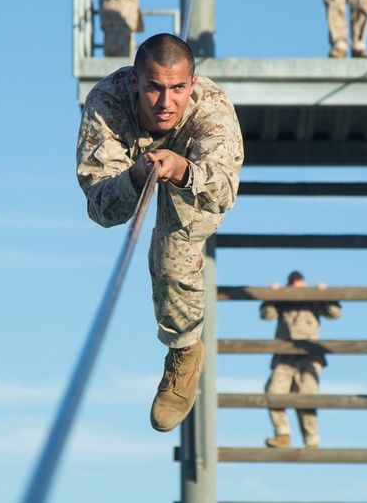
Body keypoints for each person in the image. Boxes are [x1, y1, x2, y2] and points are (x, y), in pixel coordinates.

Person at [76, 33, 244, 432]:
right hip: (134, 163)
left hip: (194, 172)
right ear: (135, 82)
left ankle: (184, 350)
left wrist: (183, 170)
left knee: (172, 251)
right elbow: (102, 208)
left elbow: (223, 191)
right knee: (123, 209)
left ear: (193, 82)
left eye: (177, 89)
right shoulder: (107, 106)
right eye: (153, 87)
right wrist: (135, 177)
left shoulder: (213, 109)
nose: (166, 103)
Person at [261, 271, 342, 449]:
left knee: (306, 395)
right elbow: (266, 315)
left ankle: (311, 441)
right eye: (293, 283)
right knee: (273, 392)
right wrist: (272, 296)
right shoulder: (283, 300)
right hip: (284, 356)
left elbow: (334, 313)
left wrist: (325, 295)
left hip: (310, 355)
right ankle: (282, 435)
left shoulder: (313, 299)